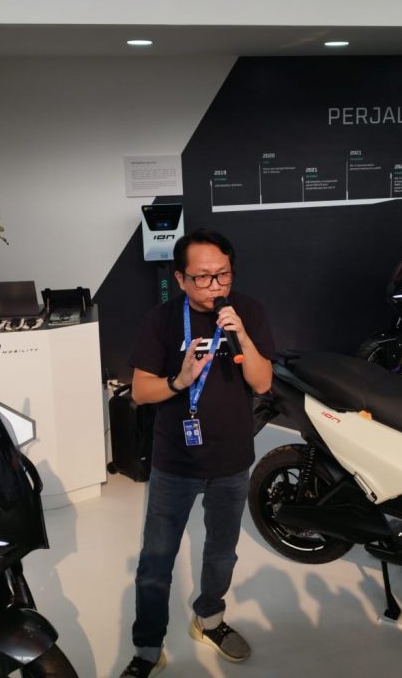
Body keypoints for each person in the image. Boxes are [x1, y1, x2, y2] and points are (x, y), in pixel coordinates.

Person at [119, 229, 274, 678]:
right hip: (176, 462)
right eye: (203, 277)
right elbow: (140, 392)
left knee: (222, 553)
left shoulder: (247, 312)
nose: (214, 286)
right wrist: (180, 381)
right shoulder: (161, 320)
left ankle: (209, 619)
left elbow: (263, 383)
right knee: (156, 561)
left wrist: (243, 336)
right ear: (181, 279)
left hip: (232, 461)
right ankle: (148, 647)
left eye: (223, 275)